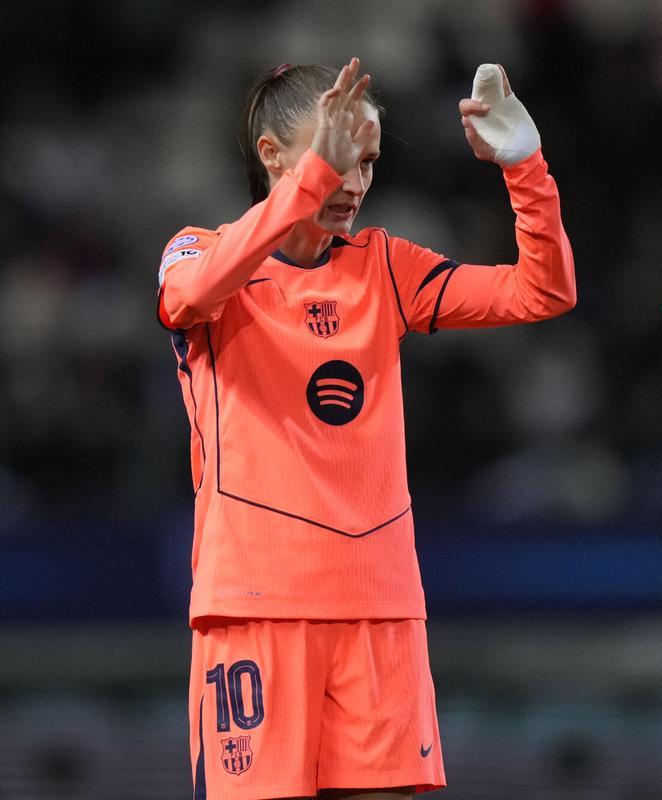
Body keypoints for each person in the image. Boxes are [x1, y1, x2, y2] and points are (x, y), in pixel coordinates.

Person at [158, 57, 575, 800]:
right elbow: (194, 290)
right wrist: (314, 177)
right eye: (340, 157)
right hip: (257, 609)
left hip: (379, 610)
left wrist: (527, 171)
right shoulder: (196, 252)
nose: (352, 182)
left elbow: (542, 291)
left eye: (368, 161)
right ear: (272, 156)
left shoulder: (386, 266)